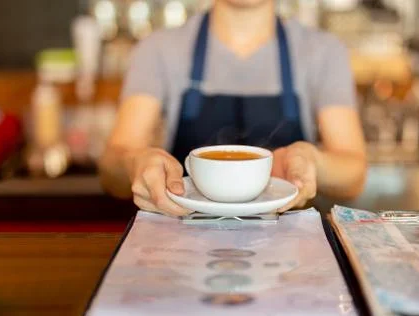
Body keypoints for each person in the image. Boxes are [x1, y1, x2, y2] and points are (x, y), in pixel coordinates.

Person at [99, 0, 367, 217]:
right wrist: (136, 163)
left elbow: (354, 174)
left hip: (292, 260)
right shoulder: (158, 49)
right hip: (182, 250)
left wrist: (313, 162)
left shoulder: (324, 52)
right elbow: (112, 167)